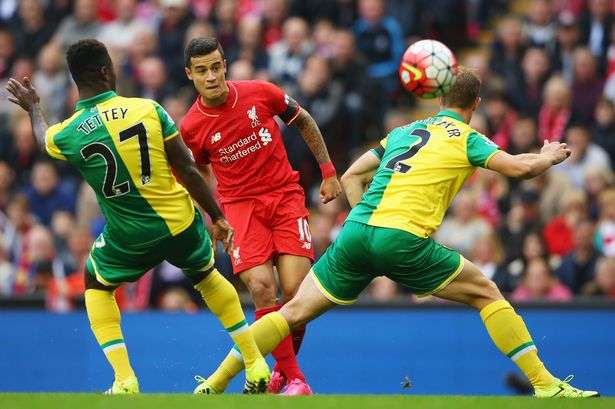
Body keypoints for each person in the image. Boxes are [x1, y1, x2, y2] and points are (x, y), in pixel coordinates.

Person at [197, 68, 599, 398]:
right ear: (475, 105)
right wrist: (546, 158)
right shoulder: (467, 139)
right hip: (402, 239)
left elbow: (353, 174)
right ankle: (546, 386)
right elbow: (518, 167)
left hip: (356, 233)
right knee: (487, 294)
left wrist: (367, 223)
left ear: (439, 100)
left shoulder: (405, 131)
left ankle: (215, 382)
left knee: (291, 312)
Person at [5, 39, 270, 395]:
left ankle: (124, 379)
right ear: (105, 71)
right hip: (179, 221)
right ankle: (254, 363)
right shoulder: (148, 108)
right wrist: (217, 217)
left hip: (129, 236)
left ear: (74, 80)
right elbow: (188, 169)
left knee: (96, 284)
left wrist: (34, 107)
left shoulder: (68, 132)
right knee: (206, 277)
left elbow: (42, 139)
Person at [182, 37, 341, 396]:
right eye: (202, 70)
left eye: (217, 66)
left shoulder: (260, 92)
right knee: (260, 289)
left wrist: (329, 171)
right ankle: (296, 378)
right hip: (239, 208)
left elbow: (304, 121)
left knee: (296, 293)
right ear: (190, 74)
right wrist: (213, 218)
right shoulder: (192, 127)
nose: (211, 76)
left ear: (226, 64)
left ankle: (280, 374)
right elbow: (199, 174)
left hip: (285, 197)